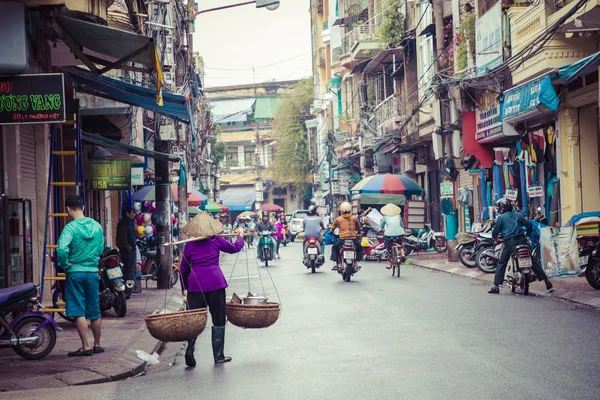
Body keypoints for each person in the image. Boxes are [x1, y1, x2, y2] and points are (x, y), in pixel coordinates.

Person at [180, 222, 245, 367]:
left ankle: (190, 349)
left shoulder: (189, 245)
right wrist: (240, 236)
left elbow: (183, 269)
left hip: (195, 285)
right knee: (218, 318)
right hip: (215, 283)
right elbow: (235, 248)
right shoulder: (216, 241)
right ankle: (218, 356)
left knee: (194, 320)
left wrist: (184, 287)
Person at [56, 195, 105, 357]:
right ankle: (97, 344)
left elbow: (62, 250)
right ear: (83, 207)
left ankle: (86, 346)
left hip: (75, 273)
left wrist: (64, 264)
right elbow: (100, 248)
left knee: (79, 311)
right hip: (92, 273)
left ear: (68, 210)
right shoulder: (97, 226)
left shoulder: (70, 228)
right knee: (95, 310)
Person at [489, 198, 552, 294]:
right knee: (532, 262)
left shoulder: (501, 218)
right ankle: (547, 281)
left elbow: (495, 233)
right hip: (522, 241)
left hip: (510, 243)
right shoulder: (518, 215)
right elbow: (529, 225)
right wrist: (527, 233)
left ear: (501, 208)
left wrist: (496, 238)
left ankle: (496, 286)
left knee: (501, 263)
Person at [330, 202, 362, 270]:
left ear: (341, 210)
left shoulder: (338, 219)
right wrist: (359, 232)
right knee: (359, 248)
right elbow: (358, 227)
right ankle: (356, 262)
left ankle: (336, 263)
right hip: (353, 239)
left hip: (342, 239)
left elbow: (333, 227)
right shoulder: (354, 218)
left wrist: (331, 232)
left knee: (334, 248)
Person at [116, 205, 136, 297]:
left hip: (122, 250)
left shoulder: (120, 223)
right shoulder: (129, 223)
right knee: (131, 271)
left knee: (124, 270)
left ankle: (124, 290)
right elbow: (131, 237)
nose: (133, 214)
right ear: (127, 214)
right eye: (132, 213)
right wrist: (134, 247)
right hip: (129, 250)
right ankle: (129, 290)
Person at [379, 203, 405, 269]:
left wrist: (381, 230)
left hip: (389, 235)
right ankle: (402, 254)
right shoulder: (398, 216)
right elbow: (401, 225)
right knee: (401, 243)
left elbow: (381, 226)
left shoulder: (384, 217)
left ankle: (389, 262)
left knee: (388, 248)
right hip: (399, 234)